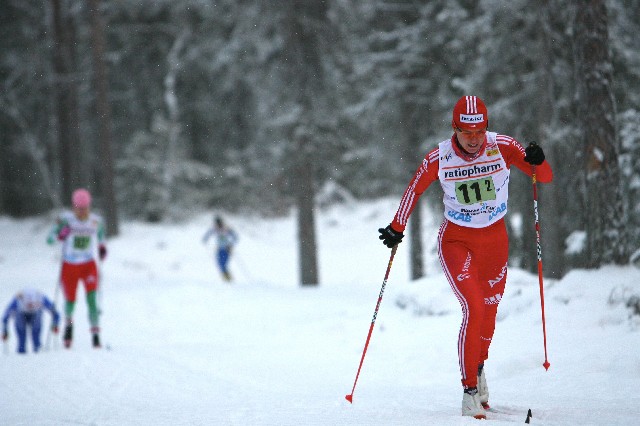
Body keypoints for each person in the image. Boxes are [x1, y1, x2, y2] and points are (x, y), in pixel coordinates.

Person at [378, 96, 553, 419]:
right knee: (473, 307)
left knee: (489, 312)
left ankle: (479, 367)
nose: (473, 139)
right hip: (458, 241)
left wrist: (538, 160)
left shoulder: (501, 145)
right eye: (466, 132)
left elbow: (543, 177)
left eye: (479, 131)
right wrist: (396, 226)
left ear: (486, 127)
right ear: (454, 129)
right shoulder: (440, 157)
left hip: (495, 241)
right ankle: (469, 389)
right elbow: (415, 187)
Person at [47, 188, 107, 349]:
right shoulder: (66, 220)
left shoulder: (95, 221)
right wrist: (61, 234)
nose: (82, 212)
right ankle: (69, 326)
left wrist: (102, 248)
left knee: (92, 299)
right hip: (69, 266)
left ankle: (95, 334)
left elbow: (101, 236)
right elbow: (50, 239)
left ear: (89, 206)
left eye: (85, 208)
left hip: (88, 265)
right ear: (74, 207)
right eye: (79, 208)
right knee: (70, 301)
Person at [2, 288, 60, 354]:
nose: (30, 306)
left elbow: (55, 313)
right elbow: (6, 316)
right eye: (28, 305)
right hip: (21, 314)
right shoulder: (18, 300)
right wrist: (5, 329)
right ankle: (21, 352)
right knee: (21, 336)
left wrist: (55, 323)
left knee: (36, 333)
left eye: (32, 304)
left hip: (36, 314)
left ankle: (38, 349)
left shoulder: (40, 298)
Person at [202, 216, 238, 282]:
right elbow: (209, 233)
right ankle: (227, 279)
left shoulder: (227, 229)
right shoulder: (215, 229)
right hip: (219, 249)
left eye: (219, 223)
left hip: (227, 249)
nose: (218, 225)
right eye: (217, 223)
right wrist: (205, 239)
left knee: (223, 264)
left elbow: (235, 237)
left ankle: (228, 280)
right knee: (220, 264)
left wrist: (231, 245)